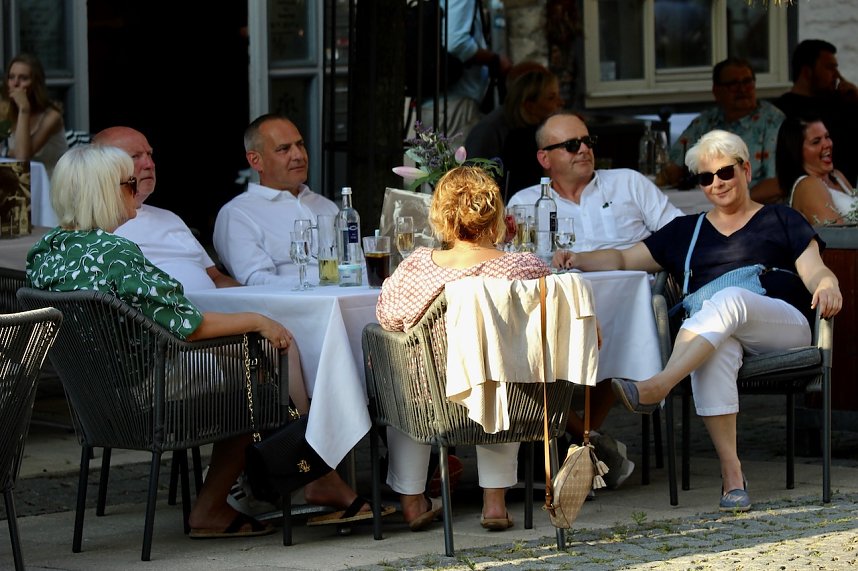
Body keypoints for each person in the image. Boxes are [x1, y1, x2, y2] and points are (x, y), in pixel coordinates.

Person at [27, 145, 386, 537]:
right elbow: (188, 325)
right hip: (147, 387)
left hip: (95, 395)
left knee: (256, 361)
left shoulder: (46, 252)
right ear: (104, 192)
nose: (136, 192)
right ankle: (284, 479)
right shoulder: (115, 254)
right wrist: (258, 320)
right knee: (264, 373)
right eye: (129, 185)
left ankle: (301, 474)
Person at [553, 129, 842, 511]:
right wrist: (577, 257)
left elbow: (815, 271)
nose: (717, 184)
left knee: (730, 299)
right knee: (716, 349)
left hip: (782, 324)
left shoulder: (781, 218)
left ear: (745, 170)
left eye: (725, 173)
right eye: (706, 178)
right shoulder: (687, 231)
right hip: (716, 331)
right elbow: (624, 259)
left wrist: (829, 285)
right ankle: (732, 475)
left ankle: (660, 384)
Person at [508, 111, 682, 488]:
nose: (584, 150)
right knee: (527, 343)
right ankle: (587, 440)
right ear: (545, 158)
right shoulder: (524, 203)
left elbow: (679, 234)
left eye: (588, 142)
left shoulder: (628, 183)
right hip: (555, 305)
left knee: (609, 327)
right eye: (572, 145)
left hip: (633, 303)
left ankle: (567, 438)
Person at [376, 165, 549, 531]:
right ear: (496, 213)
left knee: (404, 373)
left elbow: (388, 319)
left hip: (430, 400)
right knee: (504, 372)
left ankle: (412, 499)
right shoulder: (524, 267)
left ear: (440, 214)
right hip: (502, 398)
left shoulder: (416, 266)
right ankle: (494, 503)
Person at [92, 126, 240, 292]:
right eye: (135, 157)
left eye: (149, 154)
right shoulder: (98, 224)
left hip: (215, 309)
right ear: (104, 168)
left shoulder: (169, 217)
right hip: (161, 315)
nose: (150, 164)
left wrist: (252, 297)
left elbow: (216, 278)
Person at [214, 114, 339, 286]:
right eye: (284, 149)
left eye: (300, 145)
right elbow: (256, 280)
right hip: (289, 308)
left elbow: (358, 265)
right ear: (255, 161)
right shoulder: (237, 214)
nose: (298, 155)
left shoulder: (326, 205)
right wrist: (316, 286)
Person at [663, 57, 784, 199]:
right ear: (716, 91)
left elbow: (777, 184)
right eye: (733, 84)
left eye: (747, 82)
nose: (742, 89)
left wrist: (735, 203)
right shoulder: (706, 121)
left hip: (755, 210)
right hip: (704, 206)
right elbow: (672, 168)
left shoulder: (773, 121)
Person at [414, 0, 511, 142]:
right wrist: (494, 59)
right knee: (458, 163)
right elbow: (456, 43)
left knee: (440, 162)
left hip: (439, 103)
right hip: (455, 103)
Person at [464, 61, 565, 197]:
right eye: (551, 98)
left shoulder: (537, 129)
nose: (560, 102)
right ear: (530, 105)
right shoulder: (497, 132)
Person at [773, 39, 858, 189]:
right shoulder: (783, 111)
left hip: (848, 191)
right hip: (813, 191)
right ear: (807, 71)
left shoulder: (842, 102)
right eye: (830, 68)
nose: (837, 75)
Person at [775, 115, 857, 225]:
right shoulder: (809, 185)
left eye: (827, 137)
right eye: (816, 142)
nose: (827, 144)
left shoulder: (837, 176)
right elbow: (838, 236)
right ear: (796, 151)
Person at [1, 53, 68, 176]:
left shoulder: (52, 116)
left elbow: (22, 159)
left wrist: (24, 109)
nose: (15, 83)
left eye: (23, 78)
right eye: (11, 77)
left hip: (52, 183)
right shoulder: (7, 111)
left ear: (35, 83)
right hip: (22, 183)